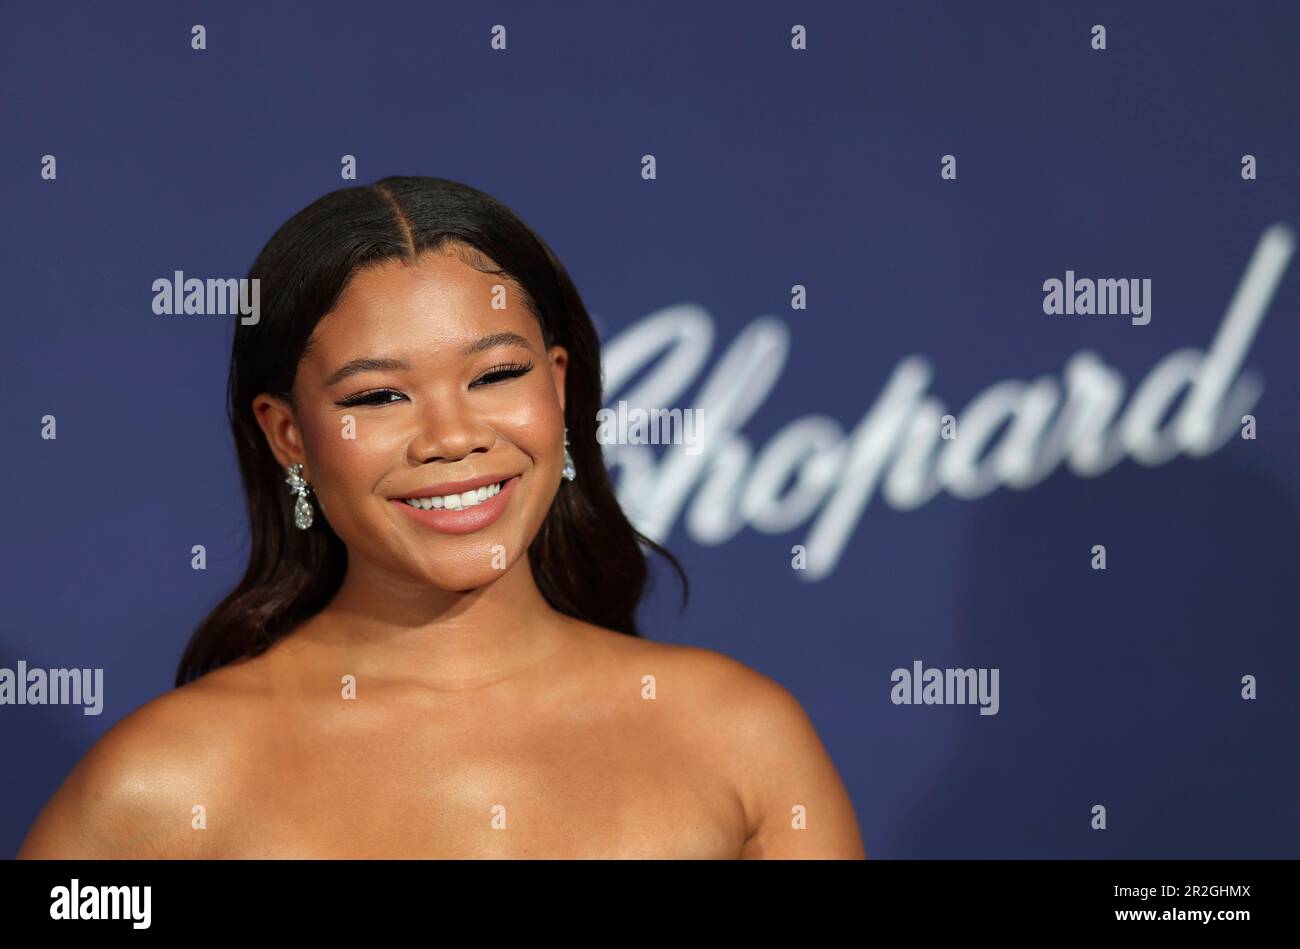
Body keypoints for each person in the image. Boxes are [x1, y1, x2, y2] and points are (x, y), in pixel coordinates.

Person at [18, 176, 864, 859]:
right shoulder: (161, 787)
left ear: (558, 388)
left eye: (495, 375)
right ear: (287, 434)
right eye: (379, 396)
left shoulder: (742, 742)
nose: (453, 437)